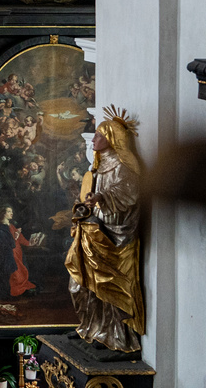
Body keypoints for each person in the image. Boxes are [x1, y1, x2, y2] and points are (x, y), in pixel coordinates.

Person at [66, 107, 146, 355]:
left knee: (109, 288)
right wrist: (87, 204)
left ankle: (116, 336)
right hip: (95, 232)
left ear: (111, 139)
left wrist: (102, 196)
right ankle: (91, 327)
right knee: (81, 284)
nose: (94, 139)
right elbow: (93, 197)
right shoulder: (98, 167)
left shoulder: (124, 168)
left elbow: (129, 194)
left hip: (115, 237)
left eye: (99, 134)